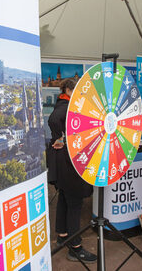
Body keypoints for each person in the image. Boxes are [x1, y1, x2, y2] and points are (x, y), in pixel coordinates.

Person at [47, 78, 96, 263]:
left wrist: (61, 139)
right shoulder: (66, 106)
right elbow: (53, 121)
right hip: (69, 163)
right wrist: (62, 140)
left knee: (65, 200)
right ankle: (75, 247)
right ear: (68, 89)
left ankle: (62, 236)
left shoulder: (63, 103)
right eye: (78, 90)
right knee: (74, 202)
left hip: (63, 162)